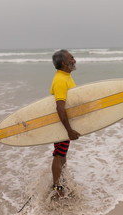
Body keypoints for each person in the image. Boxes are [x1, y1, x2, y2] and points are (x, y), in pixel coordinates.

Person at [50, 49, 81, 197]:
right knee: (59, 155)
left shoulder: (65, 76)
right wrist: (68, 129)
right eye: (72, 58)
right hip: (61, 124)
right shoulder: (61, 80)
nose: (74, 60)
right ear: (64, 62)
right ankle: (57, 190)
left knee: (62, 154)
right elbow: (60, 107)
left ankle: (61, 184)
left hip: (64, 123)